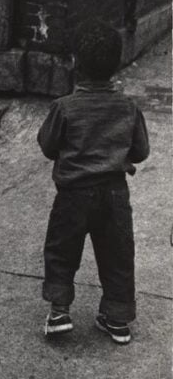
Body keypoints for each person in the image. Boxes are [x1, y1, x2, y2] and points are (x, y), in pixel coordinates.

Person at [37, 20, 150, 344]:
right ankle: (117, 319)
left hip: (72, 193)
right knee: (118, 254)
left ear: (75, 62)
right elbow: (140, 152)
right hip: (114, 193)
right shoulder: (128, 107)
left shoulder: (64, 107)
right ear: (117, 64)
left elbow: (47, 146)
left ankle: (59, 311)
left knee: (61, 250)